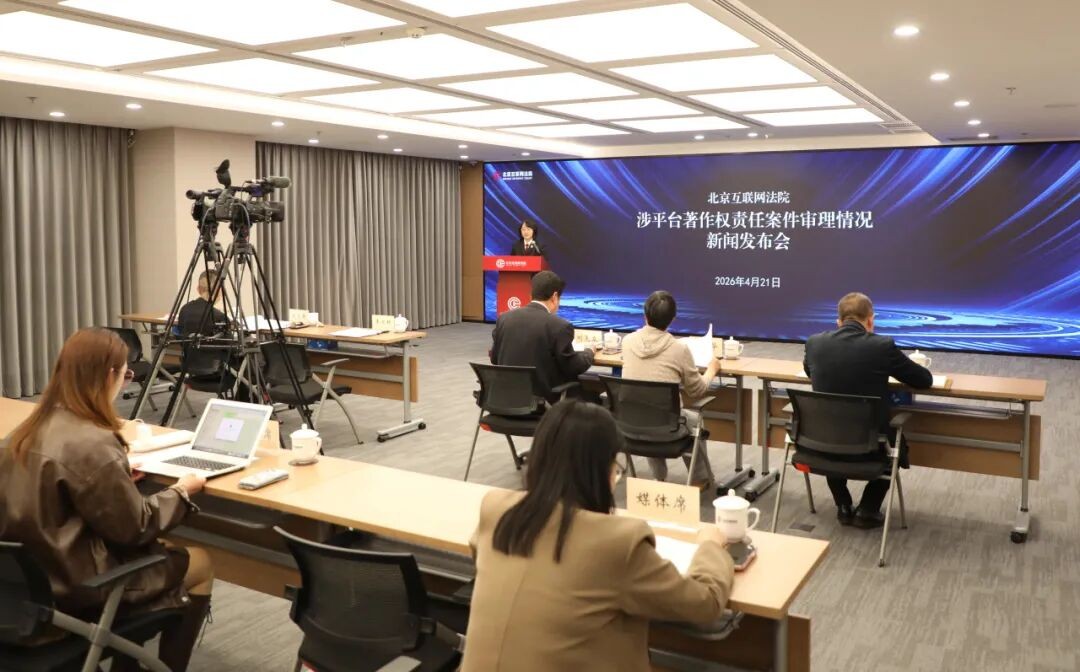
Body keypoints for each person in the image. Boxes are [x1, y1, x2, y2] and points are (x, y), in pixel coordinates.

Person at [461, 400, 733, 672]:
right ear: (601, 470)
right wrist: (711, 545)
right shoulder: (618, 542)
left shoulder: (497, 509)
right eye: (616, 467)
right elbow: (704, 603)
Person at [0, 328, 213, 671]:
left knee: (162, 551)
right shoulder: (93, 442)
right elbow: (135, 528)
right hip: (78, 591)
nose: (125, 383)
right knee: (200, 562)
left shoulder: (23, 431)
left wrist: (116, 478)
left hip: (23, 592)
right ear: (109, 375)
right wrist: (182, 491)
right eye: (126, 375)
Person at [803, 292, 932, 528]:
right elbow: (924, 380)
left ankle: (843, 505)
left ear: (839, 321)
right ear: (870, 320)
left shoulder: (814, 343)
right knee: (897, 445)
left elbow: (809, 371)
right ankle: (868, 509)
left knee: (833, 428)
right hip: (871, 446)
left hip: (820, 444)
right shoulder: (882, 346)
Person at [621, 290, 721, 485]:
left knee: (646, 406)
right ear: (672, 319)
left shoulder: (627, 342)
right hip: (667, 426)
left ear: (645, 315)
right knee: (693, 420)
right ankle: (699, 479)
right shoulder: (679, 349)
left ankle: (659, 477)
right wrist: (712, 370)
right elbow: (696, 390)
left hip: (631, 423)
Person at [491, 270, 596, 403]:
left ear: (531, 294)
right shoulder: (560, 326)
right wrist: (589, 352)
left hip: (505, 400)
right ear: (555, 297)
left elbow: (495, 359)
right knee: (592, 396)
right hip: (541, 402)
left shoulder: (504, 319)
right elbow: (573, 367)